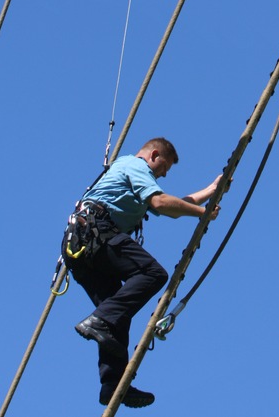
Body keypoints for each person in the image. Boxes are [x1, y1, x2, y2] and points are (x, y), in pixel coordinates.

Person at [63, 137, 221, 409]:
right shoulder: (134, 166)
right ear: (154, 155)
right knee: (153, 274)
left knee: (116, 317)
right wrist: (202, 214)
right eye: (164, 167)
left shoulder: (131, 176)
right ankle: (98, 320)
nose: (164, 174)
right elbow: (161, 203)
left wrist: (211, 190)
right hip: (95, 233)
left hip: (80, 248)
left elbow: (173, 202)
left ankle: (111, 386)